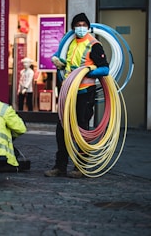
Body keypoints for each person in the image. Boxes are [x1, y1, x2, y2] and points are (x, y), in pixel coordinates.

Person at [44, 12, 109, 178]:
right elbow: (70, 67)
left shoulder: (94, 45)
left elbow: (105, 69)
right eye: (77, 25)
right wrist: (61, 65)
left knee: (81, 130)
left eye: (83, 25)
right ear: (73, 27)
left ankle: (80, 167)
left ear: (88, 27)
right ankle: (60, 166)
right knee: (62, 129)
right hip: (69, 92)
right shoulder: (71, 44)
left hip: (85, 92)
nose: (80, 28)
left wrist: (89, 69)